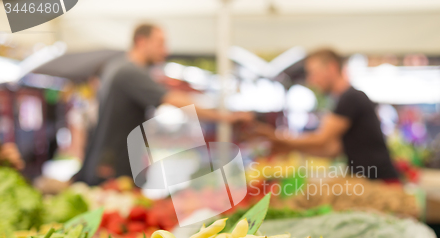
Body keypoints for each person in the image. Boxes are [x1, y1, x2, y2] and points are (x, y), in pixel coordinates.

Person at [77, 24, 251, 185]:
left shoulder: (116, 66)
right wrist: (227, 117)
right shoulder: (130, 72)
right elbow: (176, 100)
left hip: (106, 159)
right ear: (141, 41)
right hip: (114, 165)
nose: (165, 51)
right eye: (160, 43)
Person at [255, 49, 398, 181]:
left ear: (331, 68)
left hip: (379, 182)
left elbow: (321, 139)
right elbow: (332, 149)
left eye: (313, 72)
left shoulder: (350, 98)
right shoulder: (346, 98)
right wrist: (292, 147)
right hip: (372, 179)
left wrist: (280, 138)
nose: (311, 80)